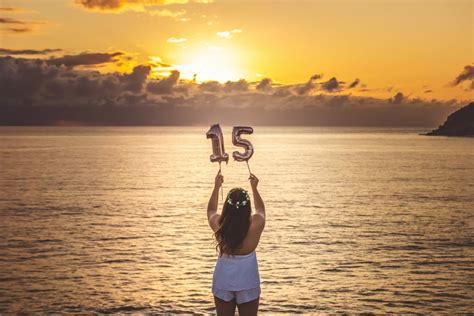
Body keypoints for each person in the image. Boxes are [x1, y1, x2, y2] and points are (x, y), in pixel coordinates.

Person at [207, 170, 266, 316]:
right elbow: (261, 210)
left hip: (223, 280)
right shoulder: (256, 224)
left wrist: (216, 187)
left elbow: (211, 210)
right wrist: (254, 188)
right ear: (247, 206)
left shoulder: (219, 225)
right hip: (247, 281)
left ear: (227, 206)